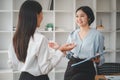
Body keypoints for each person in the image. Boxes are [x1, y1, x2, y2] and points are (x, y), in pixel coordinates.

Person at [8, 0, 76, 80]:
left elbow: (12, 64)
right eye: (41, 13)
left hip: (23, 77)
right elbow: (45, 69)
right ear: (36, 15)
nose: (42, 16)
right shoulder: (40, 39)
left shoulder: (16, 38)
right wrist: (60, 51)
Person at [64, 6, 105, 80]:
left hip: (86, 68)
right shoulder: (72, 34)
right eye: (77, 16)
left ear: (89, 17)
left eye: (82, 16)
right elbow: (69, 55)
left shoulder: (97, 35)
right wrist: (63, 51)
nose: (79, 19)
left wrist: (98, 60)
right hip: (71, 67)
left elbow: (101, 56)